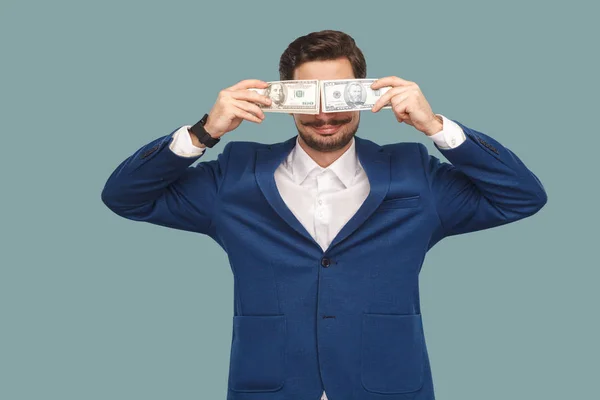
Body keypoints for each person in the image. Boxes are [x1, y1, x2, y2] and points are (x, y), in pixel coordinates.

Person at [101, 30, 547, 400]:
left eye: (338, 94)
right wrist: (204, 132)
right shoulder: (235, 176)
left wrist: (436, 128)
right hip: (269, 386)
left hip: (389, 385)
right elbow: (125, 196)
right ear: (282, 98)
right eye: (307, 96)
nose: (324, 113)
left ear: (365, 93)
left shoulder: (414, 174)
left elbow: (521, 196)